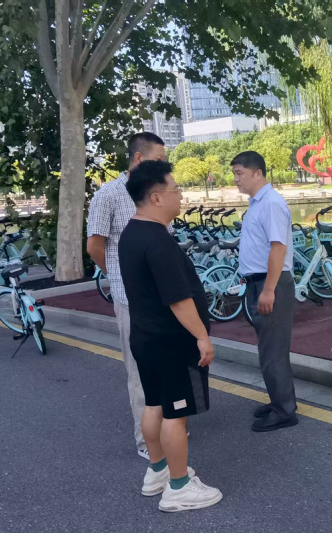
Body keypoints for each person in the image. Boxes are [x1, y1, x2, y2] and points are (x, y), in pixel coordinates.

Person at [118, 160, 222, 512]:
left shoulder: (131, 233)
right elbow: (179, 299)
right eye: (176, 190)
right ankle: (178, 487)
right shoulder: (158, 241)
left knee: (154, 405)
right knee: (176, 413)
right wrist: (202, 336)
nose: (181, 196)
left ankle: (158, 470)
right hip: (171, 342)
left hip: (145, 338)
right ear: (156, 197)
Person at [87, 133, 169, 460]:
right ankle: (147, 440)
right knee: (139, 370)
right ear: (138, 159)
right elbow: (95, 246)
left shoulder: (156, 192)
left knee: (166, 363)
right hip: (130, 298)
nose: (164, 165)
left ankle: (169, 425)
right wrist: (119, 276)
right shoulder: (108, 195)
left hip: (163, 295)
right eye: (159, 159)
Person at [232, 151, 298, 432]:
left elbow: (278, 248)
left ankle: (285, 412)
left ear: (258, 173)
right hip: (259, 282)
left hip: (271, 283)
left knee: (273, 351)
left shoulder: (271, 203)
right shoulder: (257, 203)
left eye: (240, 173)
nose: (236, 179)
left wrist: (269, 289)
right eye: (234, 174)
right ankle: (280, 401)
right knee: (269, 348)